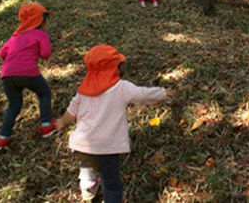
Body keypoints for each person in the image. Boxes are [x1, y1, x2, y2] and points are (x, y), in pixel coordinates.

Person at [55, 44, 170, 202]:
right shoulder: (121, 88)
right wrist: (163, 93)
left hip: (81, 145)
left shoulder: (83, 90)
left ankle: (88, 187)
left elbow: (72, 111)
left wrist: (62, 121)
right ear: (116, 68)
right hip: (106, 149)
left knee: (89, 164)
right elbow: (143, 94)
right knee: (112, 186)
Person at [0, 3, 56, 150]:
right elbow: (45, 54)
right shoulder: (41, 34)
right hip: (28, 72)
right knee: (44, 93)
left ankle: (3, 138)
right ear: (41, 20)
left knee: (14, 105)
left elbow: (2, 53)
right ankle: (46, 125)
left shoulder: (15, 36)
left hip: (7, 75)